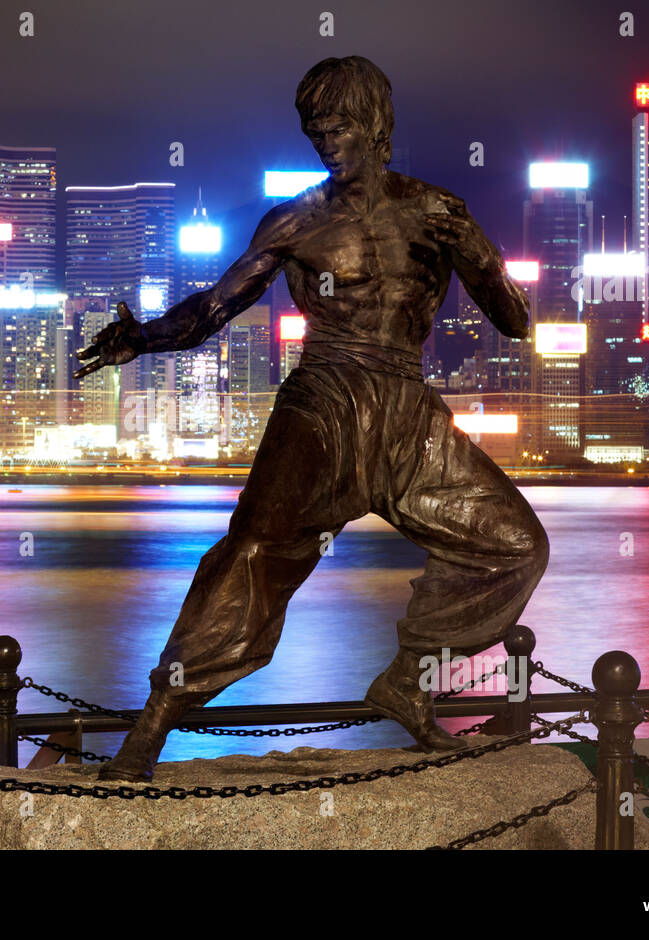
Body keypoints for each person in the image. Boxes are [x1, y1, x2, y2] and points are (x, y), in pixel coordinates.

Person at [75, 56, 549, 782]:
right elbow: (213, 307)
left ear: (377, 127)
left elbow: (515, 320)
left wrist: (476, 251)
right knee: (254, 556)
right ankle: (148, 733)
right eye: (316, 130)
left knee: (515, 545)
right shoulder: (295, 221)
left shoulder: (435, 211)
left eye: (341, 127)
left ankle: (409, 677)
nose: (327, 142)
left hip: (405, 411)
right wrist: (142, 337)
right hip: (324, 401)